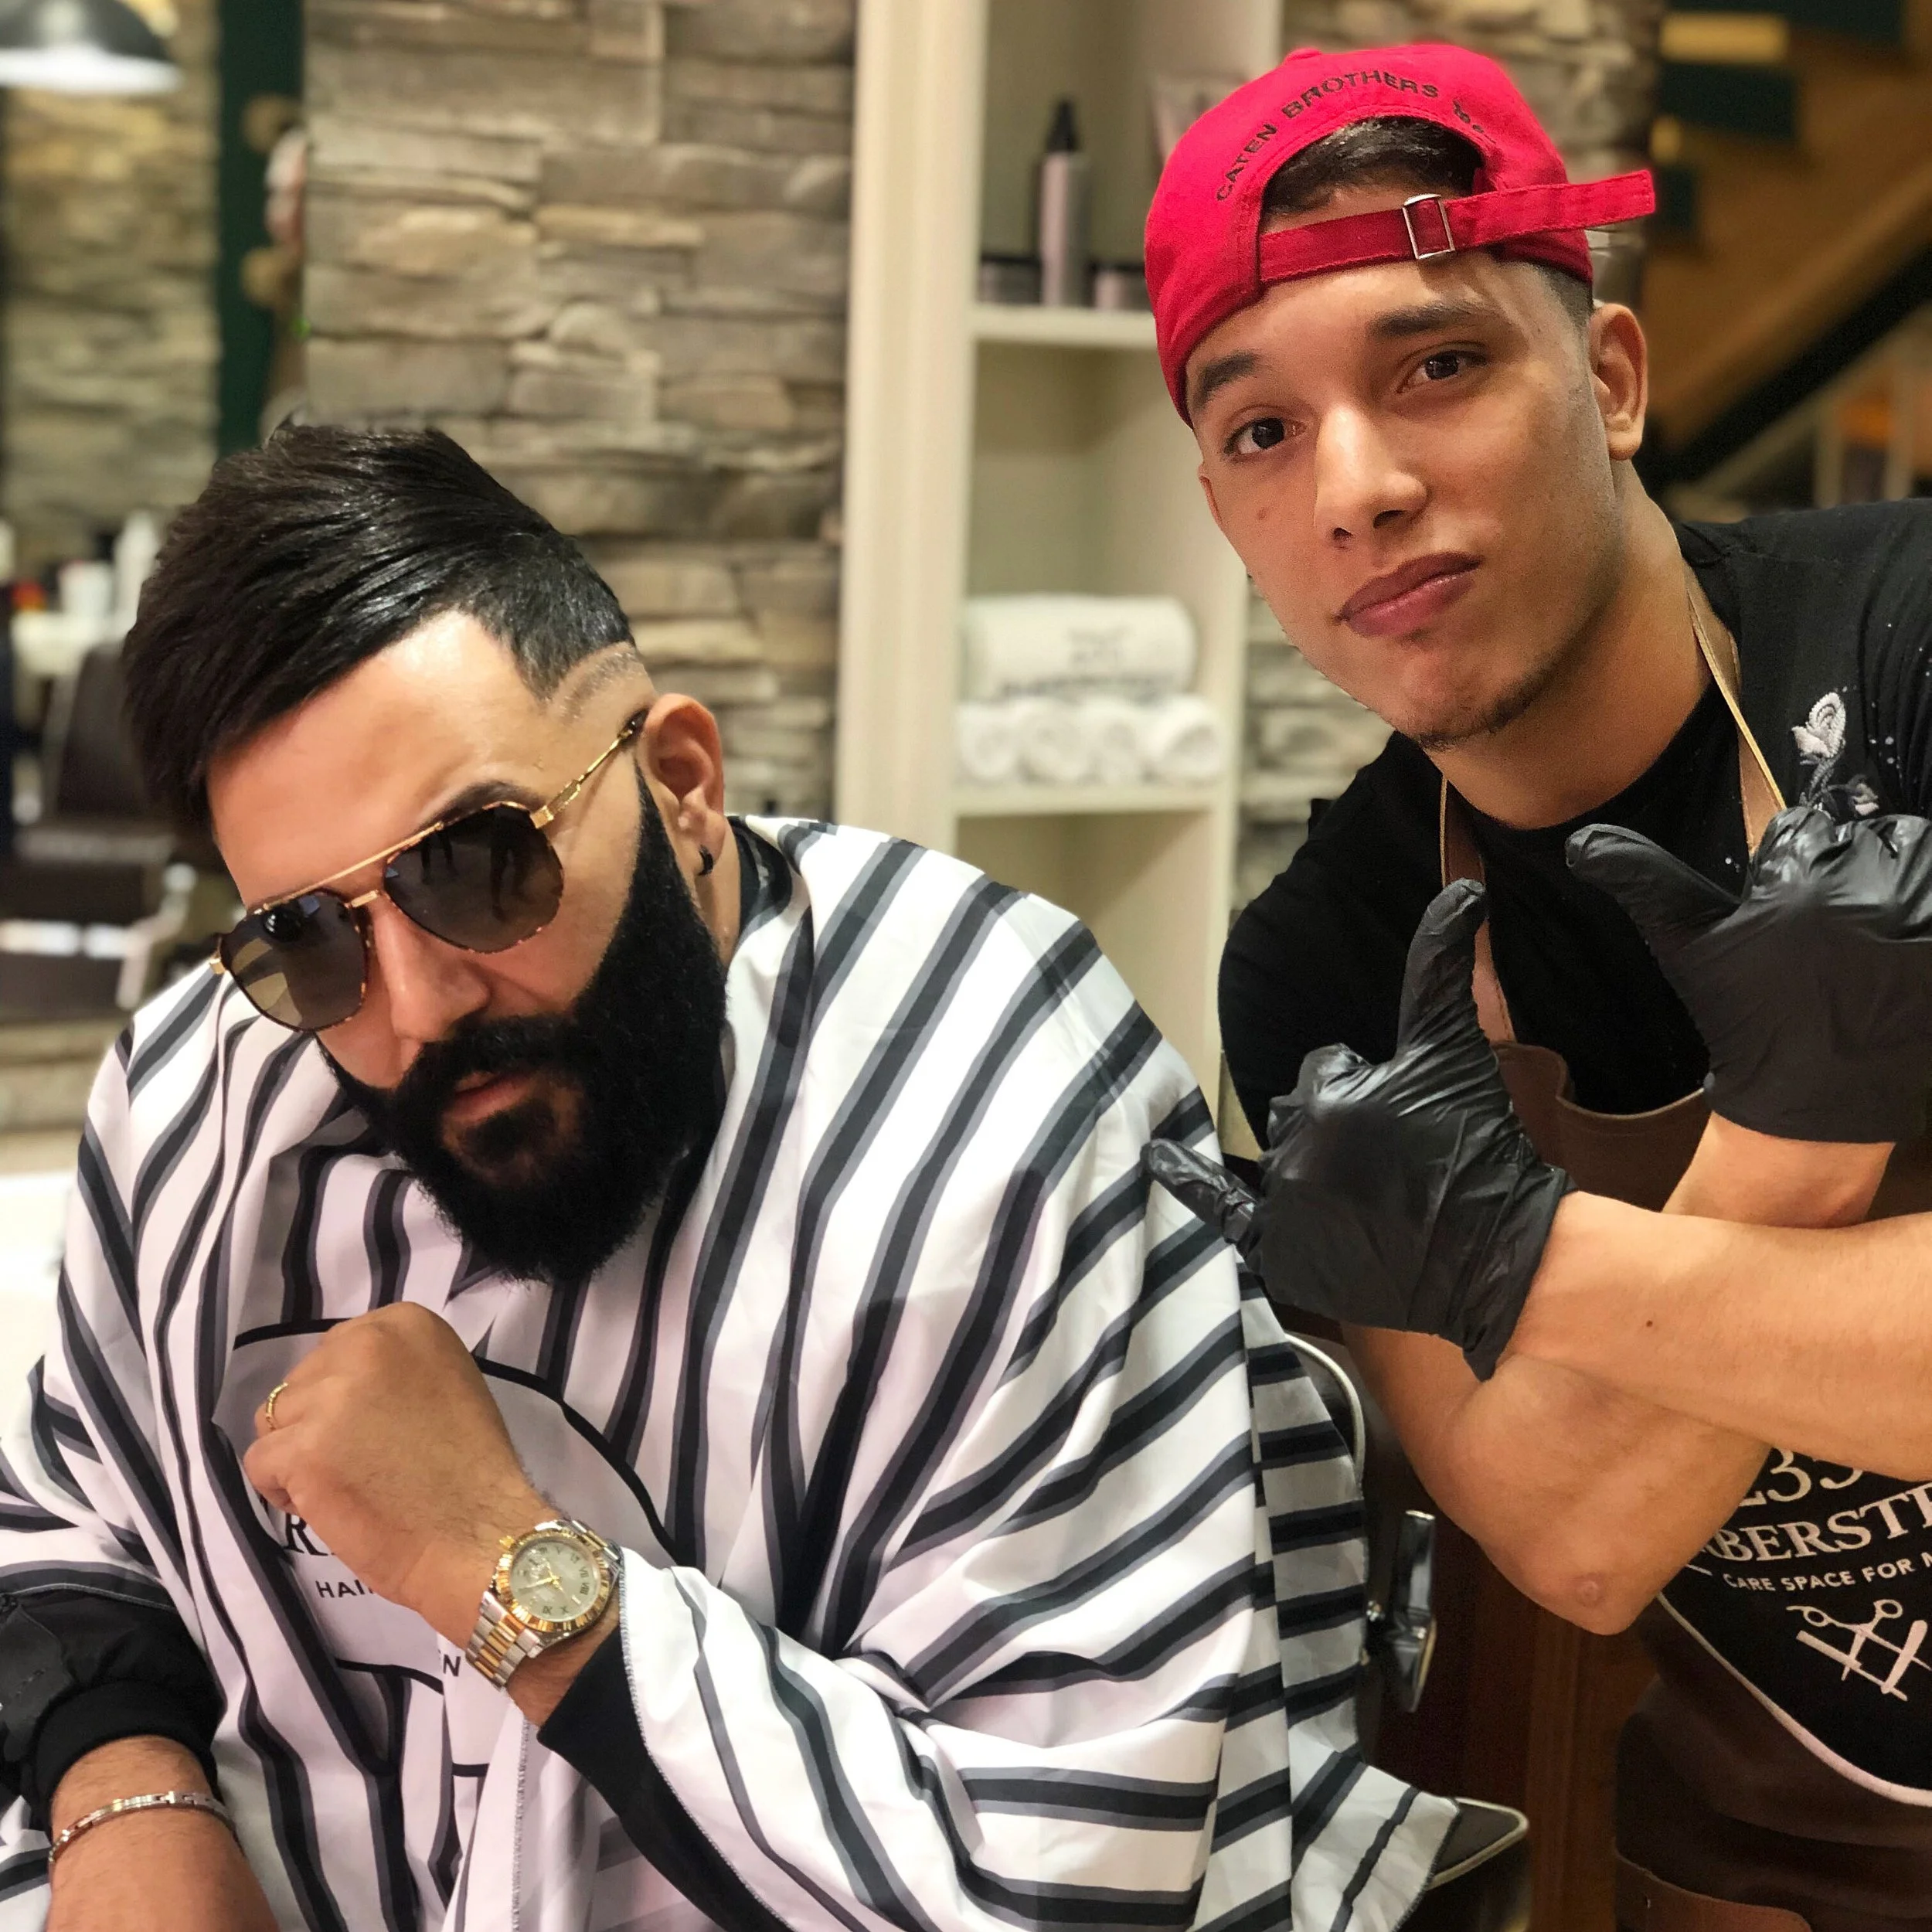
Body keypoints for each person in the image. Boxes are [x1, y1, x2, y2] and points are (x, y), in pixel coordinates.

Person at [0, 427, 1454, 1932]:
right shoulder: (199, 1089)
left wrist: (515, 1576)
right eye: (305, 936)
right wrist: (128, 1801)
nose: (420, 1001)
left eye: (475, 860)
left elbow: (1071, 1868)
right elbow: (64, 1523)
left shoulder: (987, 1117)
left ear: (679, 778)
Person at [1140, 38, 1932, 1932]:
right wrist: (1801, 1144)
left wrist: (1540, 1255)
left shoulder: (1909, 658)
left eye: (1436, 364)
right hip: (1785, 1867)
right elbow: (1568, 1536)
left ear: (1610, 374)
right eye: (1260, 432)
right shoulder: (1327, 967)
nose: (1358, 485)